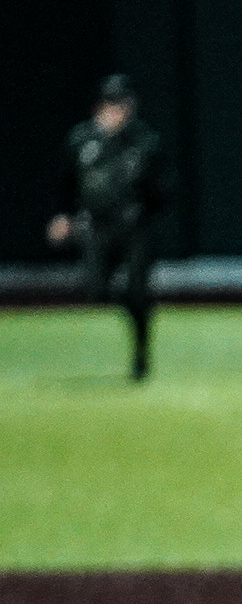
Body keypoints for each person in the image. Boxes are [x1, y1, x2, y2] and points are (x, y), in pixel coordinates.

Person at [47, 74, 174, 380]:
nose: (117, 111)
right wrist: (63, 216)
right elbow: (65, 183)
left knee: (136, 292)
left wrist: (143, 214)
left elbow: (164, 189)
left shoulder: (145, 142)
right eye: (111, 105)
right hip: (94, 228)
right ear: (99, 107)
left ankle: (141, 352)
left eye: (122, 105)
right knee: (97, 290)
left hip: (133, 229)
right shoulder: (80, 141)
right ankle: (129, 299)